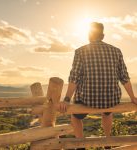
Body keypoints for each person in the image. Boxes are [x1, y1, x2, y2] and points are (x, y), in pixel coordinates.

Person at [57, 22, 137, 150]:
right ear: (103, 36)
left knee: (76, 117)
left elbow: (74, 78)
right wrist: (133, 97)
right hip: (110, 99)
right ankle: (107, 141)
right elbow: (124, 77)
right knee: (107, 113)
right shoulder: (116, 51)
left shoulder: (80, 51)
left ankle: (81, 145)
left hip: (87, 100)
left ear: (89, 34)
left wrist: (66, 99)